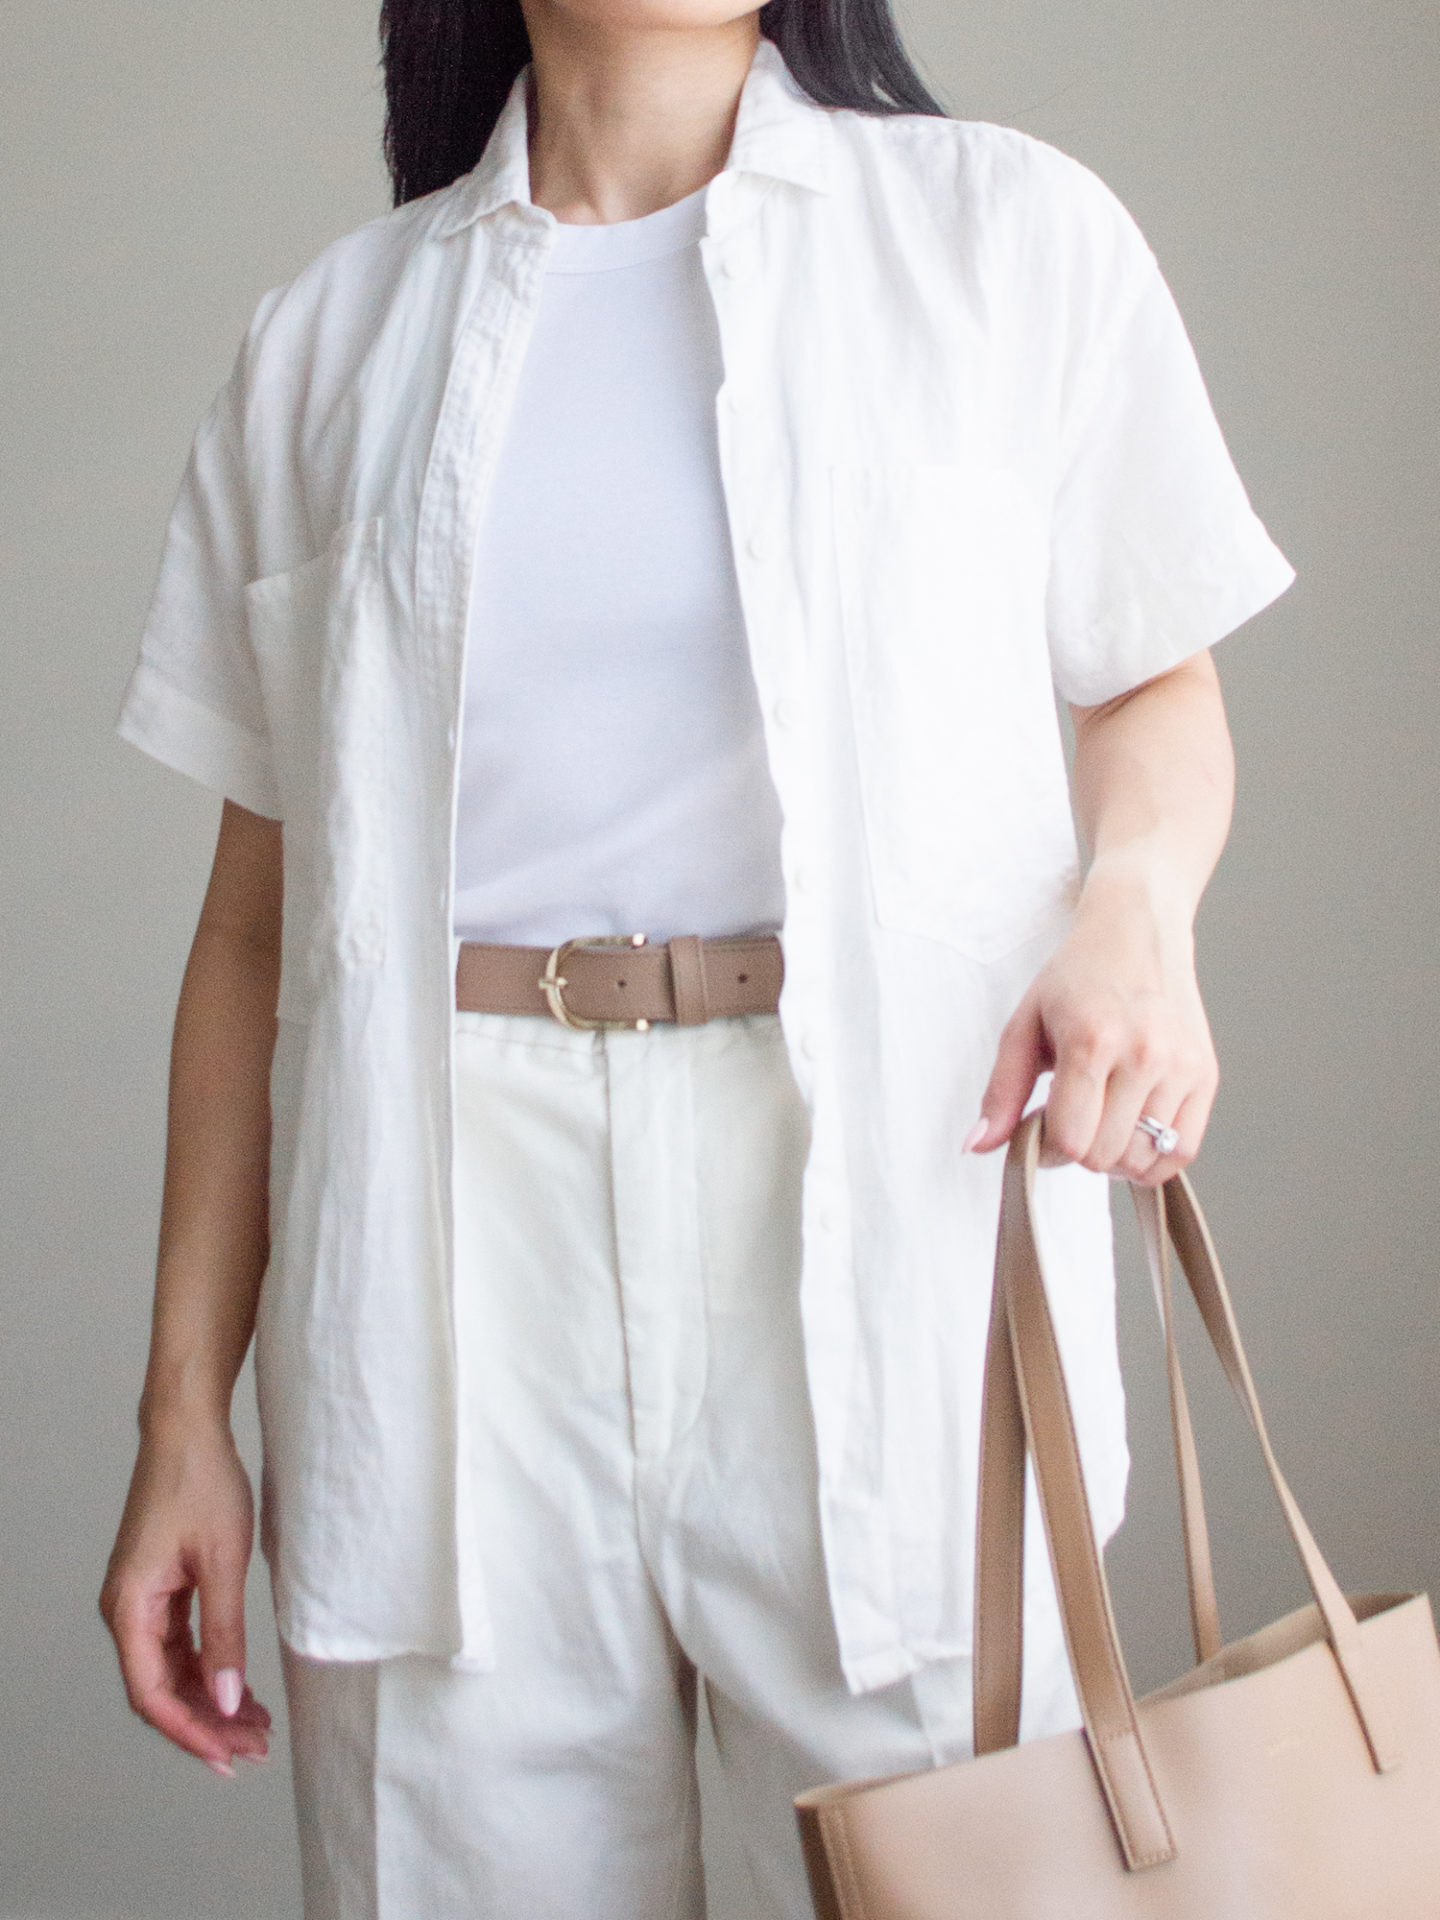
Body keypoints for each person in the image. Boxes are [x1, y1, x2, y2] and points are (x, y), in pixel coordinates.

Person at [99, 0, 1295, 1914]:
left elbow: (1157, 680)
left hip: (888, 1204)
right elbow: (254, 930)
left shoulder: (1005, 239)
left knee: (974, 1866)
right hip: (440, 1275)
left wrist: (1134, 914)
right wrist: (183, 1417)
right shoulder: (331, 342)